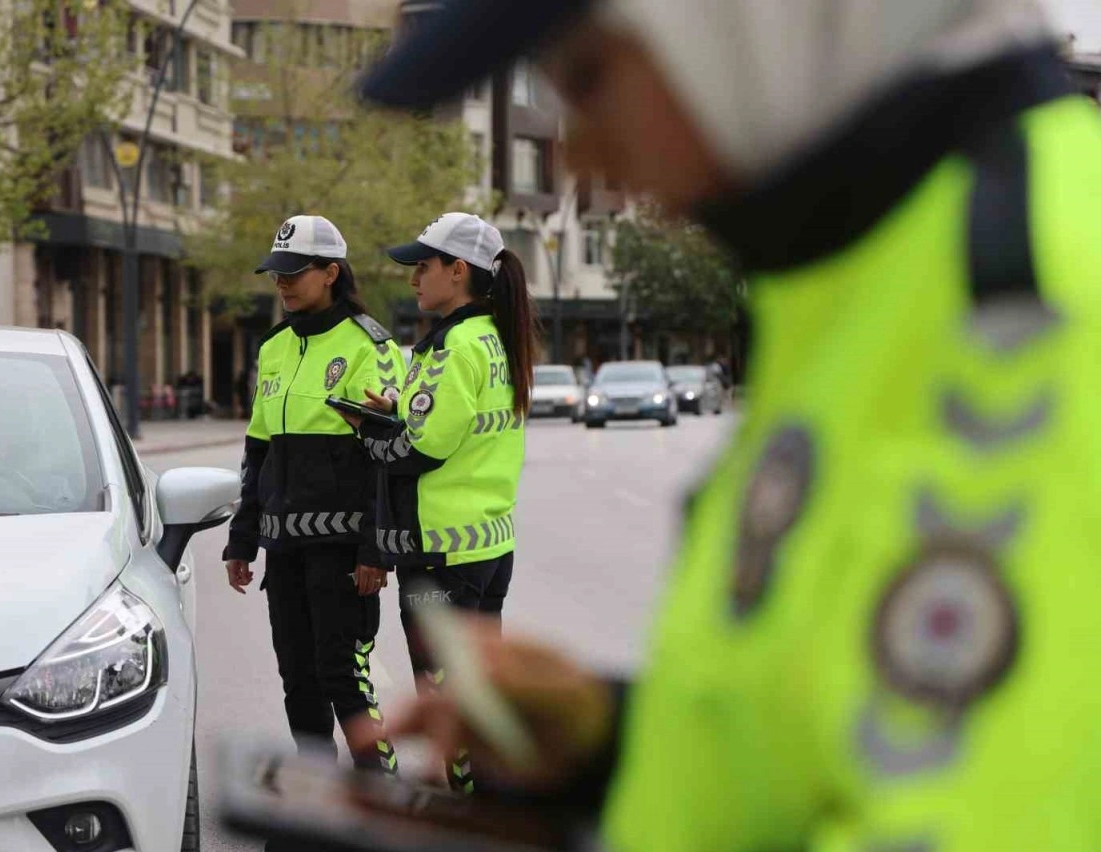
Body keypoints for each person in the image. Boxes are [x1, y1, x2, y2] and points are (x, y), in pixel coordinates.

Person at [355, 0, 1101, 848]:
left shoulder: (1029, 314)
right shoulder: (870, 263)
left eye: (591, 79)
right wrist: (615, 740)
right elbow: (851, 727)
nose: (579, 156)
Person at [338, 212, 539, 795]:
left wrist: (368, 430)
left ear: (458, 270)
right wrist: (399, 409)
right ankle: (489, 810)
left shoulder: (454, 345)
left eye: (423, 266)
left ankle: (468, 817)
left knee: (447, 702)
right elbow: (455, 426)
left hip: (440, 556)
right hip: (487, 547)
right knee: (479, 694)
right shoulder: (496, 336)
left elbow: (422, 447)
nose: (413, 279)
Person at [222, 214, 405, 778]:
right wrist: (242, 539)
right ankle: (319, 797)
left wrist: (375, 549)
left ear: (330, 272)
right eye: (276, 273)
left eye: (294, 272)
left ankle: (381, 792)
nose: (282, 283)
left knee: (342, 678)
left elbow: (387, 459)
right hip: (284, 549)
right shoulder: (275, 347)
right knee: (298, 682)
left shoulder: (371, 345)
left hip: (343, 552)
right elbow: (258, 452)